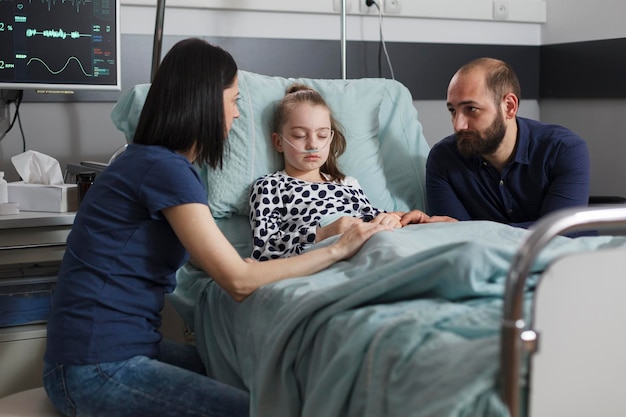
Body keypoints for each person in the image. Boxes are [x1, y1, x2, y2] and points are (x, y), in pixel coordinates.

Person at [43, 38, 391, 417]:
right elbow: (239, 281)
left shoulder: (151, 164)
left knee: (257, 376)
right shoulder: (165, 171)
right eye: (234, 101)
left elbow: (236, 266)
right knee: (256, 409)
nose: (237, 115)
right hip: (93, 367)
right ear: (207, 103)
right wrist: (337, 248)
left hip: (127, 348)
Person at [420, 57, 590, 229]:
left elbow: (559, 233)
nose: (458, 125)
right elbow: (452, 237)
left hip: (567, 255)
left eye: (471, 109)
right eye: (453, 111)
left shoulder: (564, 151)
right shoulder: (443, 159)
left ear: (509, 106)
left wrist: (474, 230)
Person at [249, 84, 404, 261]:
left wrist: (388, 220)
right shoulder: (269, 186)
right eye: (300, 135)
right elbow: (263, 251)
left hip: (371, 245)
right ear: (278, 142)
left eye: (322, 135)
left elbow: (370, 216)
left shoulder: (347, 183)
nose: (313, 145)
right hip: (322, 256)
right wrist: (321, 234)